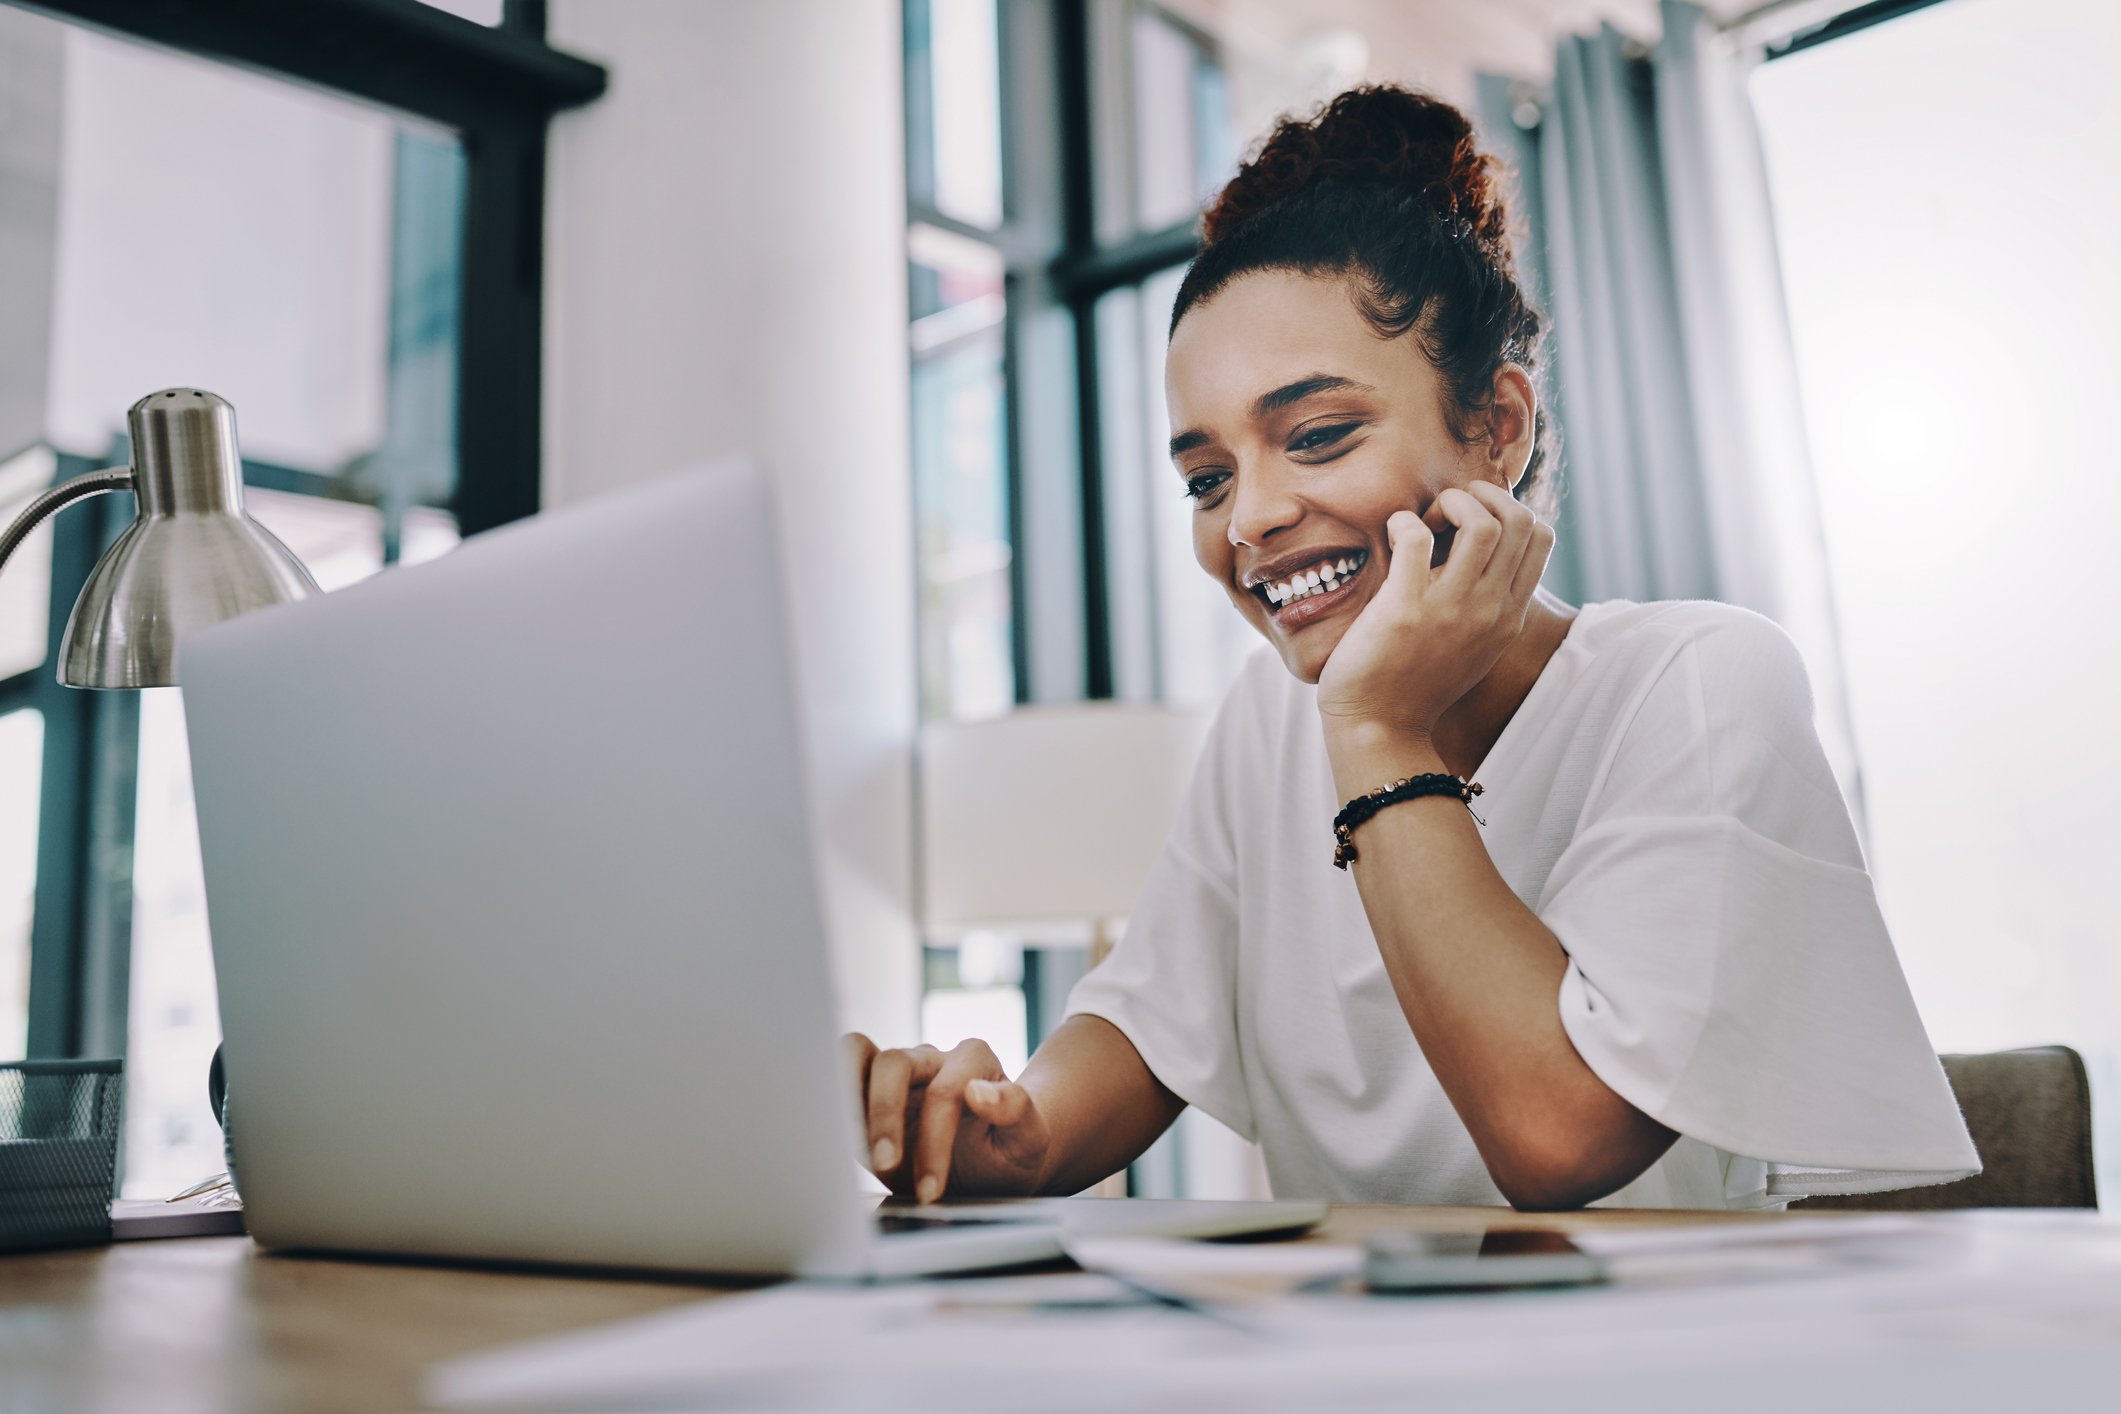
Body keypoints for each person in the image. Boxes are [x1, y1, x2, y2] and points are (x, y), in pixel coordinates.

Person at [845, 85, 1978, 1210]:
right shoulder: (1264, 721)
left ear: (1496, 430)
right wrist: (1008, 1133)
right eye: (1207, 477)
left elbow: (1558, 1136)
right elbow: (1143, 1021)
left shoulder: (1697, 684)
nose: (1247, 521)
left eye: (1319, 435)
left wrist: (1380, 728)